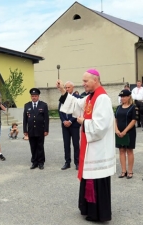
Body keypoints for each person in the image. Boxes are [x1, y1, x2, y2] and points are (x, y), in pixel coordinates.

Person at [56, 69, 116, 222]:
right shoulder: (90, 97)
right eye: (83, 81)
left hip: (98, 149)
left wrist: (84, 122)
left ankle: (99, 213)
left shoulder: (102, 98)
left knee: (96, 179)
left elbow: (101, 126)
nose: (83, 84)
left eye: (85, 81)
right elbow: (75, 104)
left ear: (95, 80)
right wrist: (63, 90)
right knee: (89, 177)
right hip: (90, 147)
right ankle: (88, 208)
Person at [23, 88, 49, 170]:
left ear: (38, 96)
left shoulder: (43, 105)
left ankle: (41, 162)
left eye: (35, 96)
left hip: (40, 129)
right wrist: (25, 130)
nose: (34, 97)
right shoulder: (27, 105)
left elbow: (46, 119)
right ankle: (34, 162)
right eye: (32, 96)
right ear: (31, 97)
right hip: (31, 130)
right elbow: (25, 119)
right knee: (33, 146)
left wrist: (46, 130)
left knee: (40, 146)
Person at [59, 81, 81, 170]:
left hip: (74, 125)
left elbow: (78, 111)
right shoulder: (63, 97)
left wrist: (70, 121)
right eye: (66, 87)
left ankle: (77, 162)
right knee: (66, 144)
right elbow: (60, 110)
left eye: (69, 87)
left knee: (76, 144)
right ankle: (67, 162)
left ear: (73, 87)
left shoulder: (78, 98)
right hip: (65, 126)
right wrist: (64, 120)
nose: (67, 89)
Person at [115, 89, 136, 179]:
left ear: (129, 97)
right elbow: (115, 119)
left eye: (124, 96)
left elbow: (134, 120)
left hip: (129, 132)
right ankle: (123, 170)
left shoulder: (133, 107)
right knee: (121, 150)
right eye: (121, 97)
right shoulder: (119, 107)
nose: (122, 98)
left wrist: (125, 131)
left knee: (129, 151)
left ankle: (130, 171)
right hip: (119, 132)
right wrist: (116, 130)